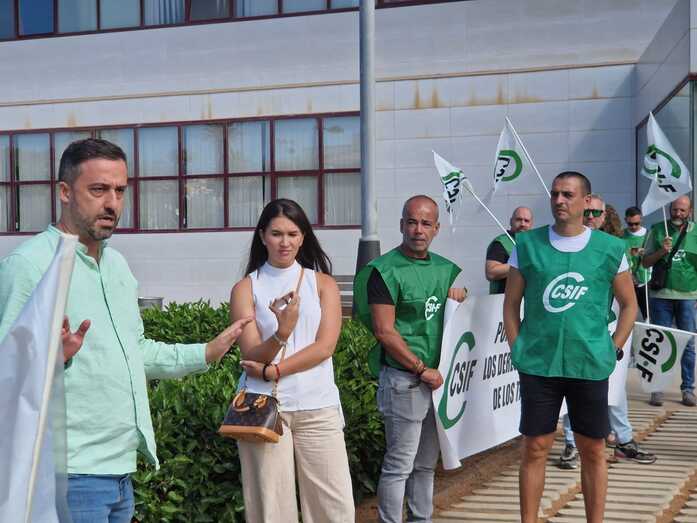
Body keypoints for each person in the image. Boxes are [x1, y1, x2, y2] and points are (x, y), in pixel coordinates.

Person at [0, 138, 252, 523]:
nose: (112, 203)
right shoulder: (29, 265)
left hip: (121, 472)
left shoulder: (118, 266)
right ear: (65, 192)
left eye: (120, 190)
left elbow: (135, 351)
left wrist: (206, 352)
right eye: (98, 189)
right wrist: (53, 360)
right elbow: (7, 371)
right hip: (68, 474)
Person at [503, 172, 638, 523]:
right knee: (535, 447)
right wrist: (517, 348)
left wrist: (613, 347)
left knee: (593, 448)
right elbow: (511, 304)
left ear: (587, 201)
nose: (559, 200)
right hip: (538, 364)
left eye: (567, 194)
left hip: (589, 364)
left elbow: (629, 305)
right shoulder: (527, 244)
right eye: (555, 194)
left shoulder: (610, 249)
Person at [229, 199, 354, 523]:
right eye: (276, 234)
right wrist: (281, 333)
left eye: (292, 234)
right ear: (262, 236)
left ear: (303, 237)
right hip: (263, 407)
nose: (284, 242)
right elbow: (251, 354)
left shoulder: (323, 284)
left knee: (335, 509)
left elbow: (325, 347)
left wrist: (274, 370)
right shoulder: (246, 288)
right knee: (271, 511)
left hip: (318, 406)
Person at [353, 195, 465, 523]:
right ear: (402, 224)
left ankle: (421, 519)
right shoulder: (385, 271)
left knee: (425, 465)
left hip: (436, 381)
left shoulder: (444, 269)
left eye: (426, 223)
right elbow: (384, 331)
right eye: (412, 222)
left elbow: (452, 319)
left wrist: (459, 299)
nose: (418, 230)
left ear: (436, 228)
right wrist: (420, 368)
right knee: (399, 465)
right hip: (405, 380)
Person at [556, 195, 655, 470]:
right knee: (573, 387)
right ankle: (571, 444)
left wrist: (617, 342)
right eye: (586, 212)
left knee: (616, 387)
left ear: (605, 216)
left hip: (610, 328)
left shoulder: (614, 246)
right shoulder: (567, 245)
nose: (590, 217)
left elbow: (628, 297)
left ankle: (624, 440)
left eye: (596, 213)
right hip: (577, 332)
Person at [642, 195, 697, 407]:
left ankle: (688, 389)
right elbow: (645, 262)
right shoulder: (657, 229)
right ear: (669, 209)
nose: (678, 213)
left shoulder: (695, 232)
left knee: (688, 345)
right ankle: (657, 389)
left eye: (683, 210)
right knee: (660, 343)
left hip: (687, 296)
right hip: (661, 296)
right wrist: (661, 251)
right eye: (675, 209)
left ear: (690, 212)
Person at [485, 206, 534, 294]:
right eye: (518, 220)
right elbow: (491, 273)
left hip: (530, 299)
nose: (522, 224)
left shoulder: (535, 244)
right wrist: (523, 263)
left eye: (526, 221)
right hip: (503, 298)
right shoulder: (501, 243)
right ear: (511, 221)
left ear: (531, 224)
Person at [623, 206, 650, 320]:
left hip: (645, 280)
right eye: (630, 224)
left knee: (648, 315)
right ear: (625, 220)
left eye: (636, 223)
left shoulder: (649, 234)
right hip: (627, 280)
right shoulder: (621, 235)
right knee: (627, 314)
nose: (633, 226)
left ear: (641, 219)